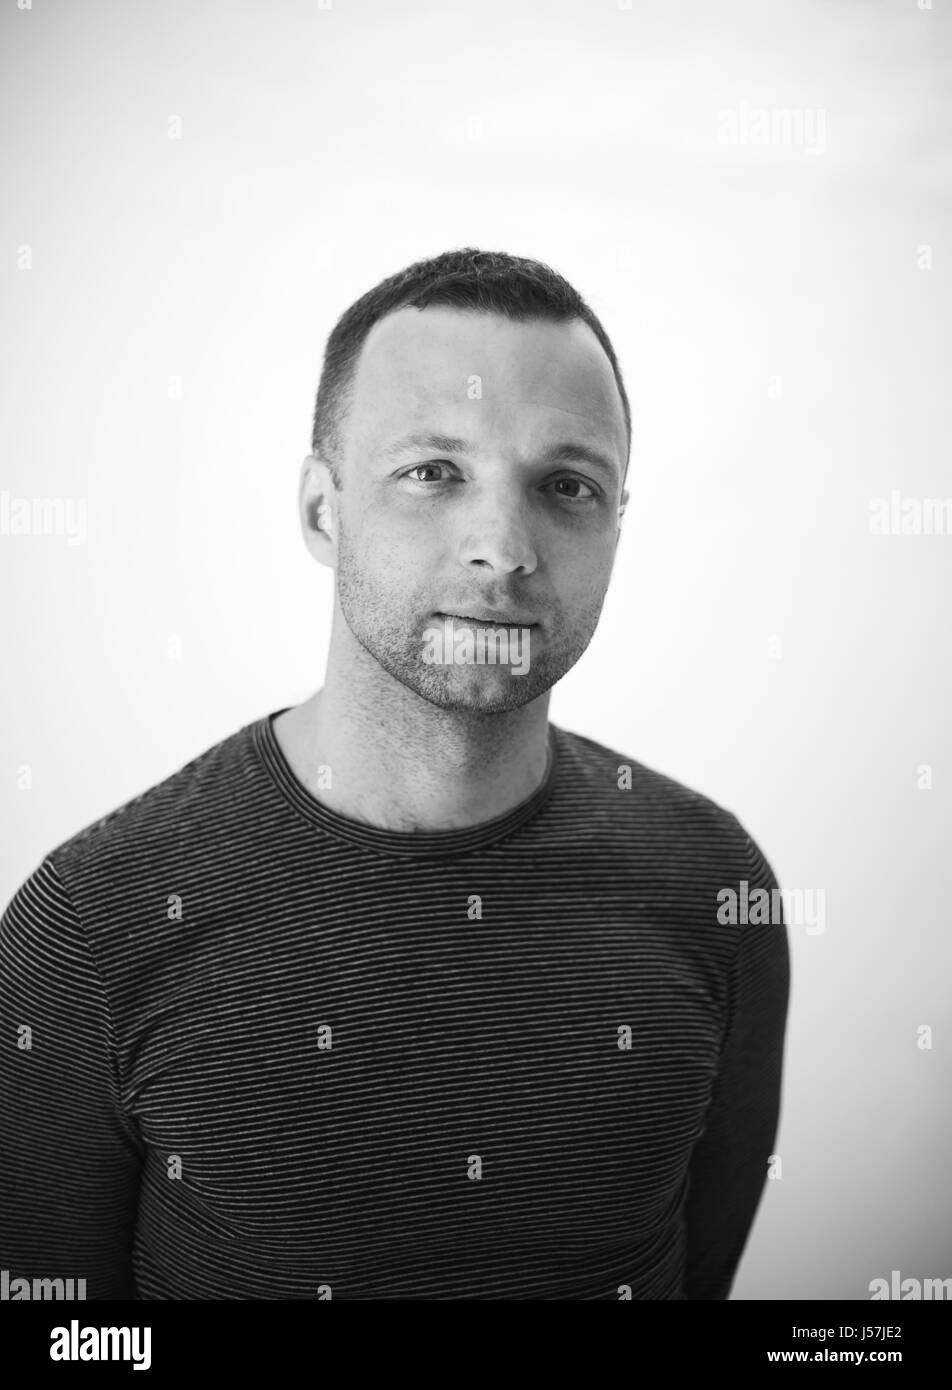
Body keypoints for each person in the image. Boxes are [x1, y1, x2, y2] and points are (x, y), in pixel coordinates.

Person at [0, 247, 789, 1300]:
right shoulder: (95, 923)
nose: (502, 548)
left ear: (616, 523)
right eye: (433, 471)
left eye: (566, 485)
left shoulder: (714, 887)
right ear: (321, 510)